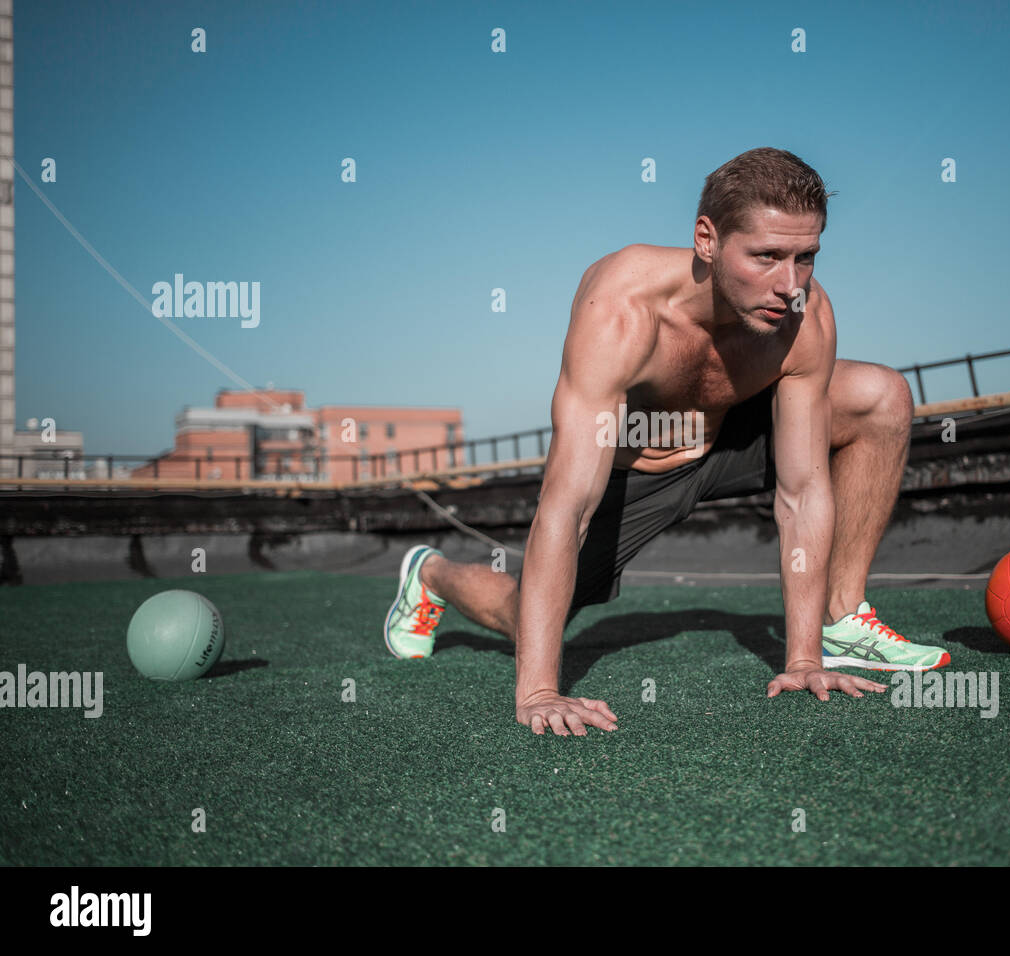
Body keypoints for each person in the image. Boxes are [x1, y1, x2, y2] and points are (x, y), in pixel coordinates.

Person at [383, 147, 950, 736]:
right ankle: (432, 574)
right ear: (707, 239)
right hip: (634, 474)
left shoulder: (806, 316)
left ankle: (840, 622)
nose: (790, 284)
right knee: (522, 616)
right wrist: (540, 692)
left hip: (731, 437)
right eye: (767, 256)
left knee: (880, 395)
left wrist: (802, 659)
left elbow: (803, 492)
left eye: (806, 257)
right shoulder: (621, 309)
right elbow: (568, 506)